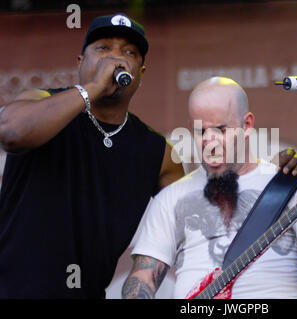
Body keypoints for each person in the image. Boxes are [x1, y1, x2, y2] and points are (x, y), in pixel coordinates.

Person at [0, 13, 185, 298]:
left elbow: (184, 228)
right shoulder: (42, 102)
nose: (116, 58)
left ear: (141, 73)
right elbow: (11, 133)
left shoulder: (159, 153)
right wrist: (93, 88)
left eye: (129, 52)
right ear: (81, 63)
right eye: (102, 49)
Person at [121, 76, 297, 299]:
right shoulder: (171, 198)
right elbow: (142, 282)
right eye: (201, 132)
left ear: (246, 125)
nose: (210, 141)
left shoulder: (289, 185)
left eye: (220, 129)